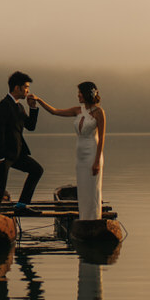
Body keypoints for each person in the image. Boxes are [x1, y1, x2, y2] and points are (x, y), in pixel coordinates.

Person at [35, 81, 106, 221]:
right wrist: (39, 100)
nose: (78, 95)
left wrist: (97, 161)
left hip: (92, 153)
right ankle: (84, 218)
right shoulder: (77, 110)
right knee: (83, 189)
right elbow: (54, 111)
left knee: (93, 189)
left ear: (87, 94)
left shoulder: (99, 112)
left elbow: (102, 138)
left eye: (80, 93)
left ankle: (94, 219)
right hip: (80, 156)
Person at [0, 71, 43, 213]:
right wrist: (0, 156)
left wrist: (33, 107)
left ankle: (21, 206)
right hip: (2, 155)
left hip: (16, 154)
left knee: (37, 170)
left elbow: (31, 126)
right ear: (17, 88)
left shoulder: (19, 106)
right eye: (26, 87)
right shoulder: (4, 105)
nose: (28, 91)